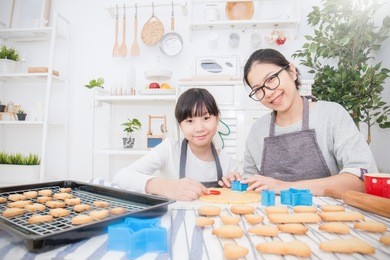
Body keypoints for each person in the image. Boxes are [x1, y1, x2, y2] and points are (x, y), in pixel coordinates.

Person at [235, 48, 378, 195]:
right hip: (271, 217)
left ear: (292, 72)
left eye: (271, 78)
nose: (269, 92)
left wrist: (285, 186)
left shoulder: (332, 114)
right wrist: (235, 180)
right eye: (258, 89)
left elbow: (363, 180)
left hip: (327, 216)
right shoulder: (258, 130)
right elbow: (250, 186)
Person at [113, 88, 238, 201]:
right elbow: (121, 177)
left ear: (217, 119)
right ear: (180, 125)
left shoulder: (228, 162)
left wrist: (235, 189)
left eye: (206, 118)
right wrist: (166, 187)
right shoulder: (169, 149)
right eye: (189, 121)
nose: (199, 128)